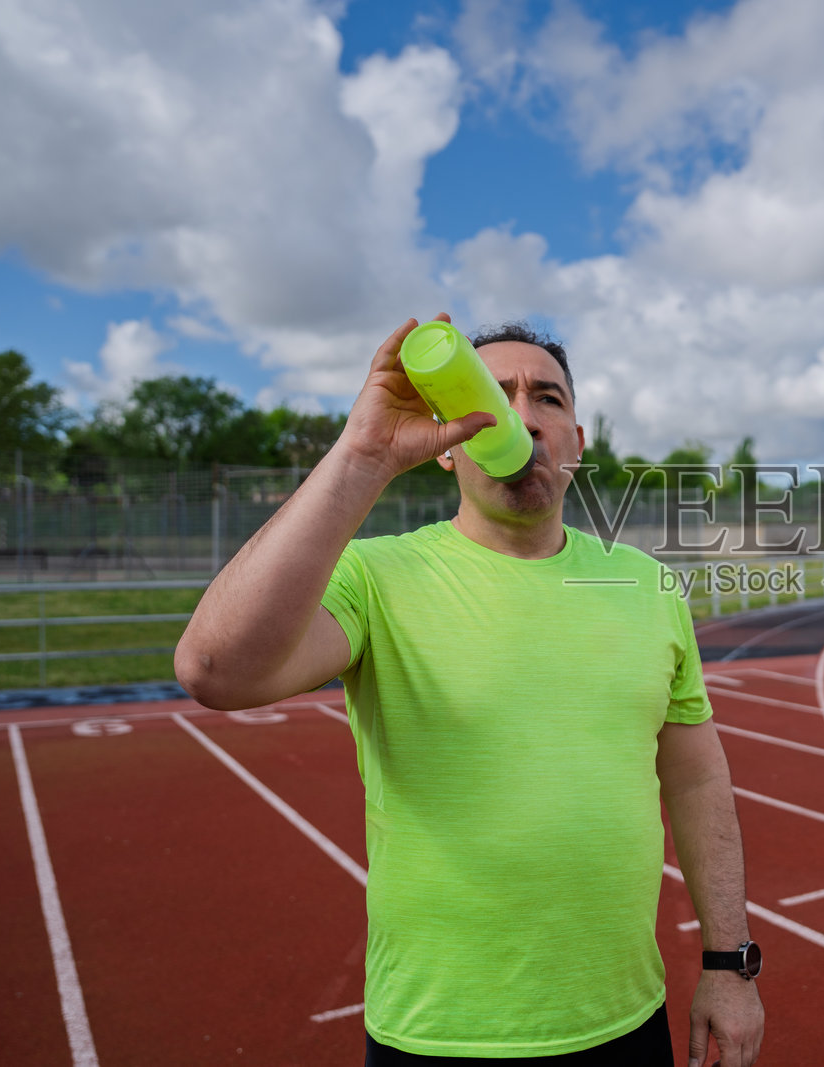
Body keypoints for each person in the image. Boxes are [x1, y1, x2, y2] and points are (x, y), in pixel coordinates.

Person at [175, 315, 764, 1066]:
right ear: (449, 447)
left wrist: (728, 964)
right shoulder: (375, 576)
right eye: (494, 394)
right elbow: (214, 670)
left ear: (578, 443)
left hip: (624, 1021)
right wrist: (362, 456)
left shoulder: (646, 584)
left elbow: (697, 775)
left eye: (547, 398)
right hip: (436, 1035)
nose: (522, 415)